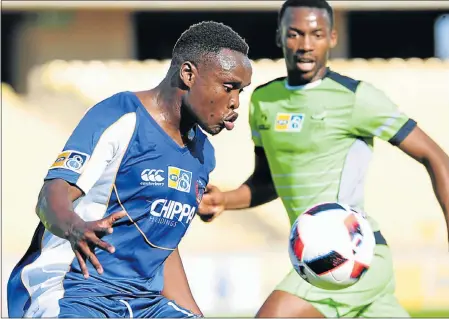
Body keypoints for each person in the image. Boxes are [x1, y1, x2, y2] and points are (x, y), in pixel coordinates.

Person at [198, 0, 449, 317]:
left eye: (316, 34)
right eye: (295, 34)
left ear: (332, 38)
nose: (305, 45)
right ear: (280, 37)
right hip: (317, 253)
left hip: (350, 250)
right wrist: (224, 200)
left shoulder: (356, 98)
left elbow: (436, 156)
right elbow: (269, 181)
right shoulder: (264, 101)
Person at [7, 21, 252, 318]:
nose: (236, 102)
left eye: (240, 90)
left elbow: (161, 244)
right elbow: (51, 195)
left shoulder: (202, 153)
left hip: (143, 302)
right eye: (229, 87)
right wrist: (75, 228)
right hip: (75, 290)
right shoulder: (122, 115)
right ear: (188, 74)